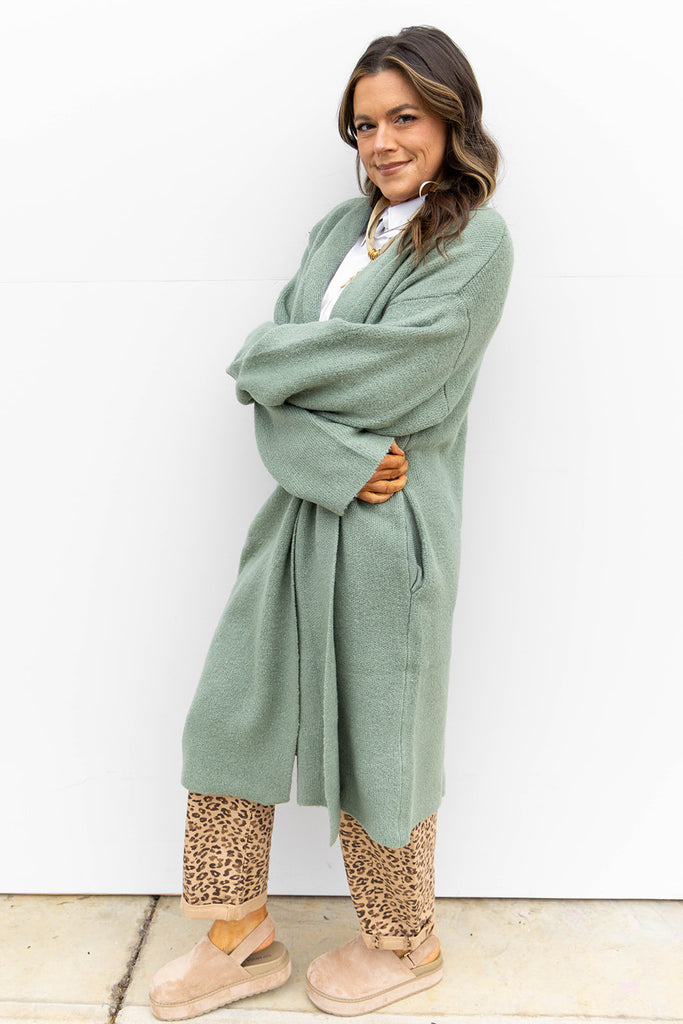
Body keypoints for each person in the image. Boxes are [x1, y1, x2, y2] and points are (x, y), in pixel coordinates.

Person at [150, 24, 513, 1020]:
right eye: (363, 125)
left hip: (393, 535)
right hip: (301, 517)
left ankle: (404, 940)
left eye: (404, 118)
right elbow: (275, 397)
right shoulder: (334, 233)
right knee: (231, 711)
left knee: (380, 741)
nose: (381, 142)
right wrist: (338, 456)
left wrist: (269, 360)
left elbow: (398, 374)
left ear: (451, 119)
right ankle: (240, 938)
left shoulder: (476, 242)